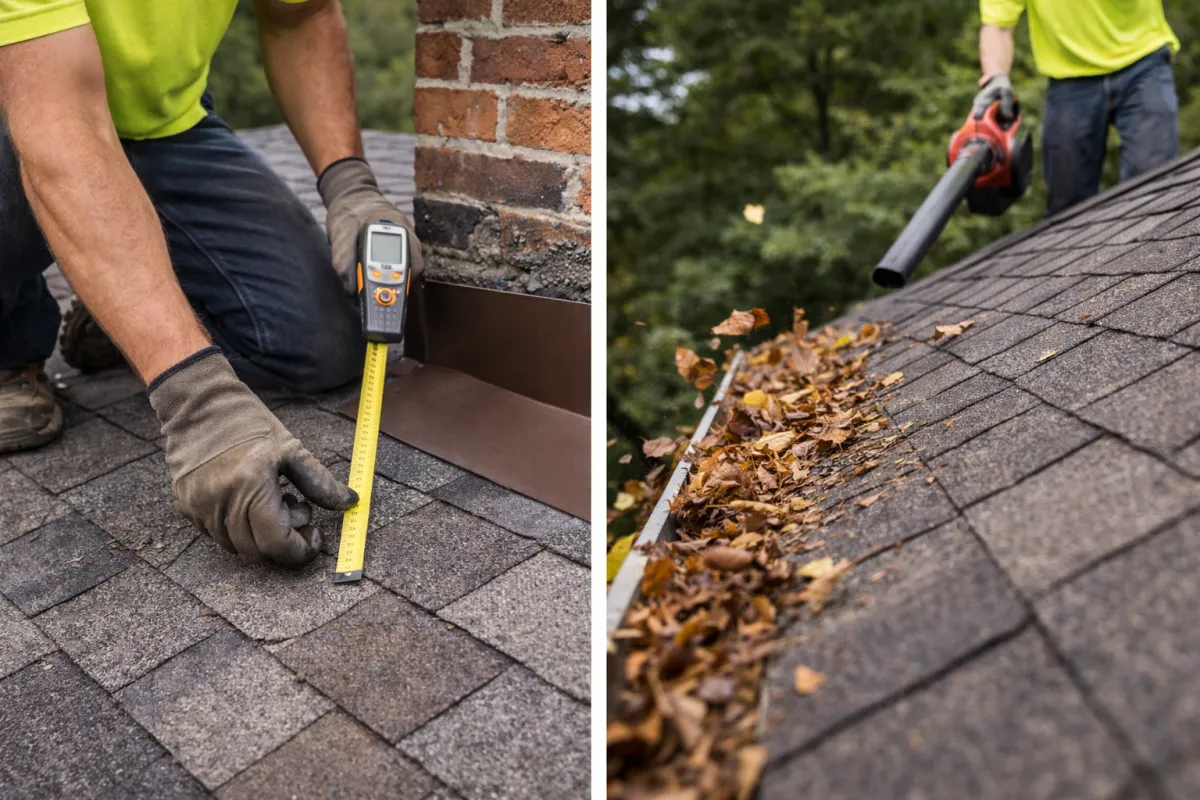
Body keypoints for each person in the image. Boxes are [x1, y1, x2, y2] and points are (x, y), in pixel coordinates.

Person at [0, 0, 423, 566]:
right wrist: (198, 401)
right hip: (27, 110)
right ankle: (12, 345)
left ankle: (121, 306)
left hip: (164, 123)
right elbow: (60, 122)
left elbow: (301, 15)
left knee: (324, 342)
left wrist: (351, 185)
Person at [974, 0, 1180, 216]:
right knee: (1068, 207)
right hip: (1069, 81)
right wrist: (996, 77)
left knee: (1154, 184)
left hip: (1143, 61)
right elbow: (998, 25)